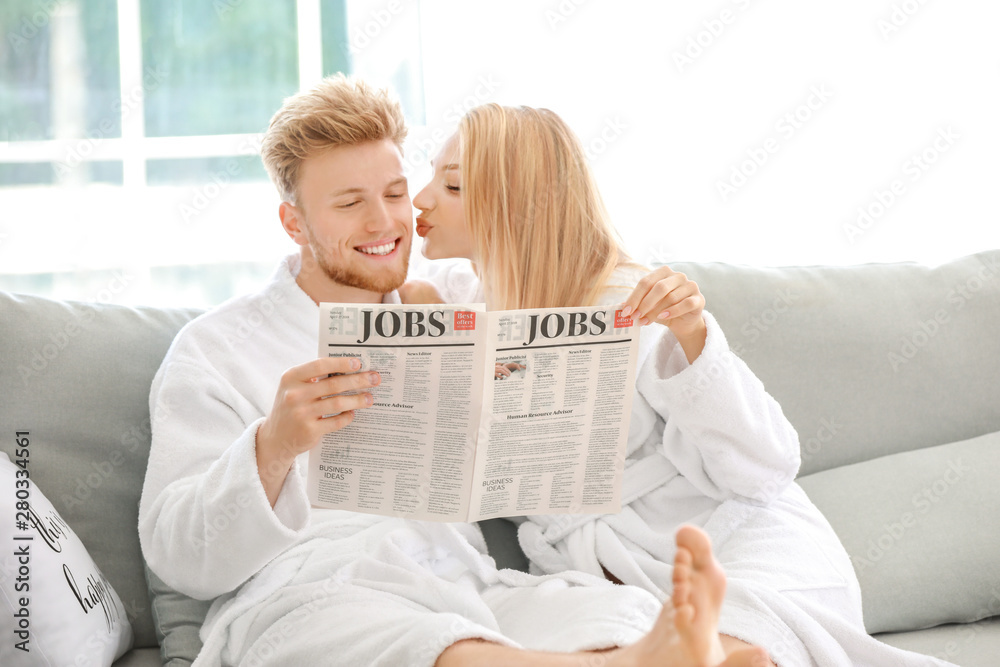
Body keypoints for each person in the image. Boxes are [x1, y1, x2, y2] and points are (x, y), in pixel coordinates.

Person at [137, 74, 769, 667]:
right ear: (293, 222)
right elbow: (179, 558)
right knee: (404, 639)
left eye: (392, 194)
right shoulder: (215, 349)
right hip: (308, 592)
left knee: (604, 612)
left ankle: (636, 651)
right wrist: (272, 449)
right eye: (350, 203)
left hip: (463, 582)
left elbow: (546, 250)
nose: (385, 222)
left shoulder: (460, 301)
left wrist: (674, 315)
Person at [411, 103, 957, 667]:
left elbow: (766, 466)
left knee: (734, 645)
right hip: (609, 577)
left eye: (451, 187)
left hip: (734, 541)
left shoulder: (635, 304)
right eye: (430, 175)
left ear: (516, 206)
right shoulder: (464, 297)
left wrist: (693, 335)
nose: (421, 199)